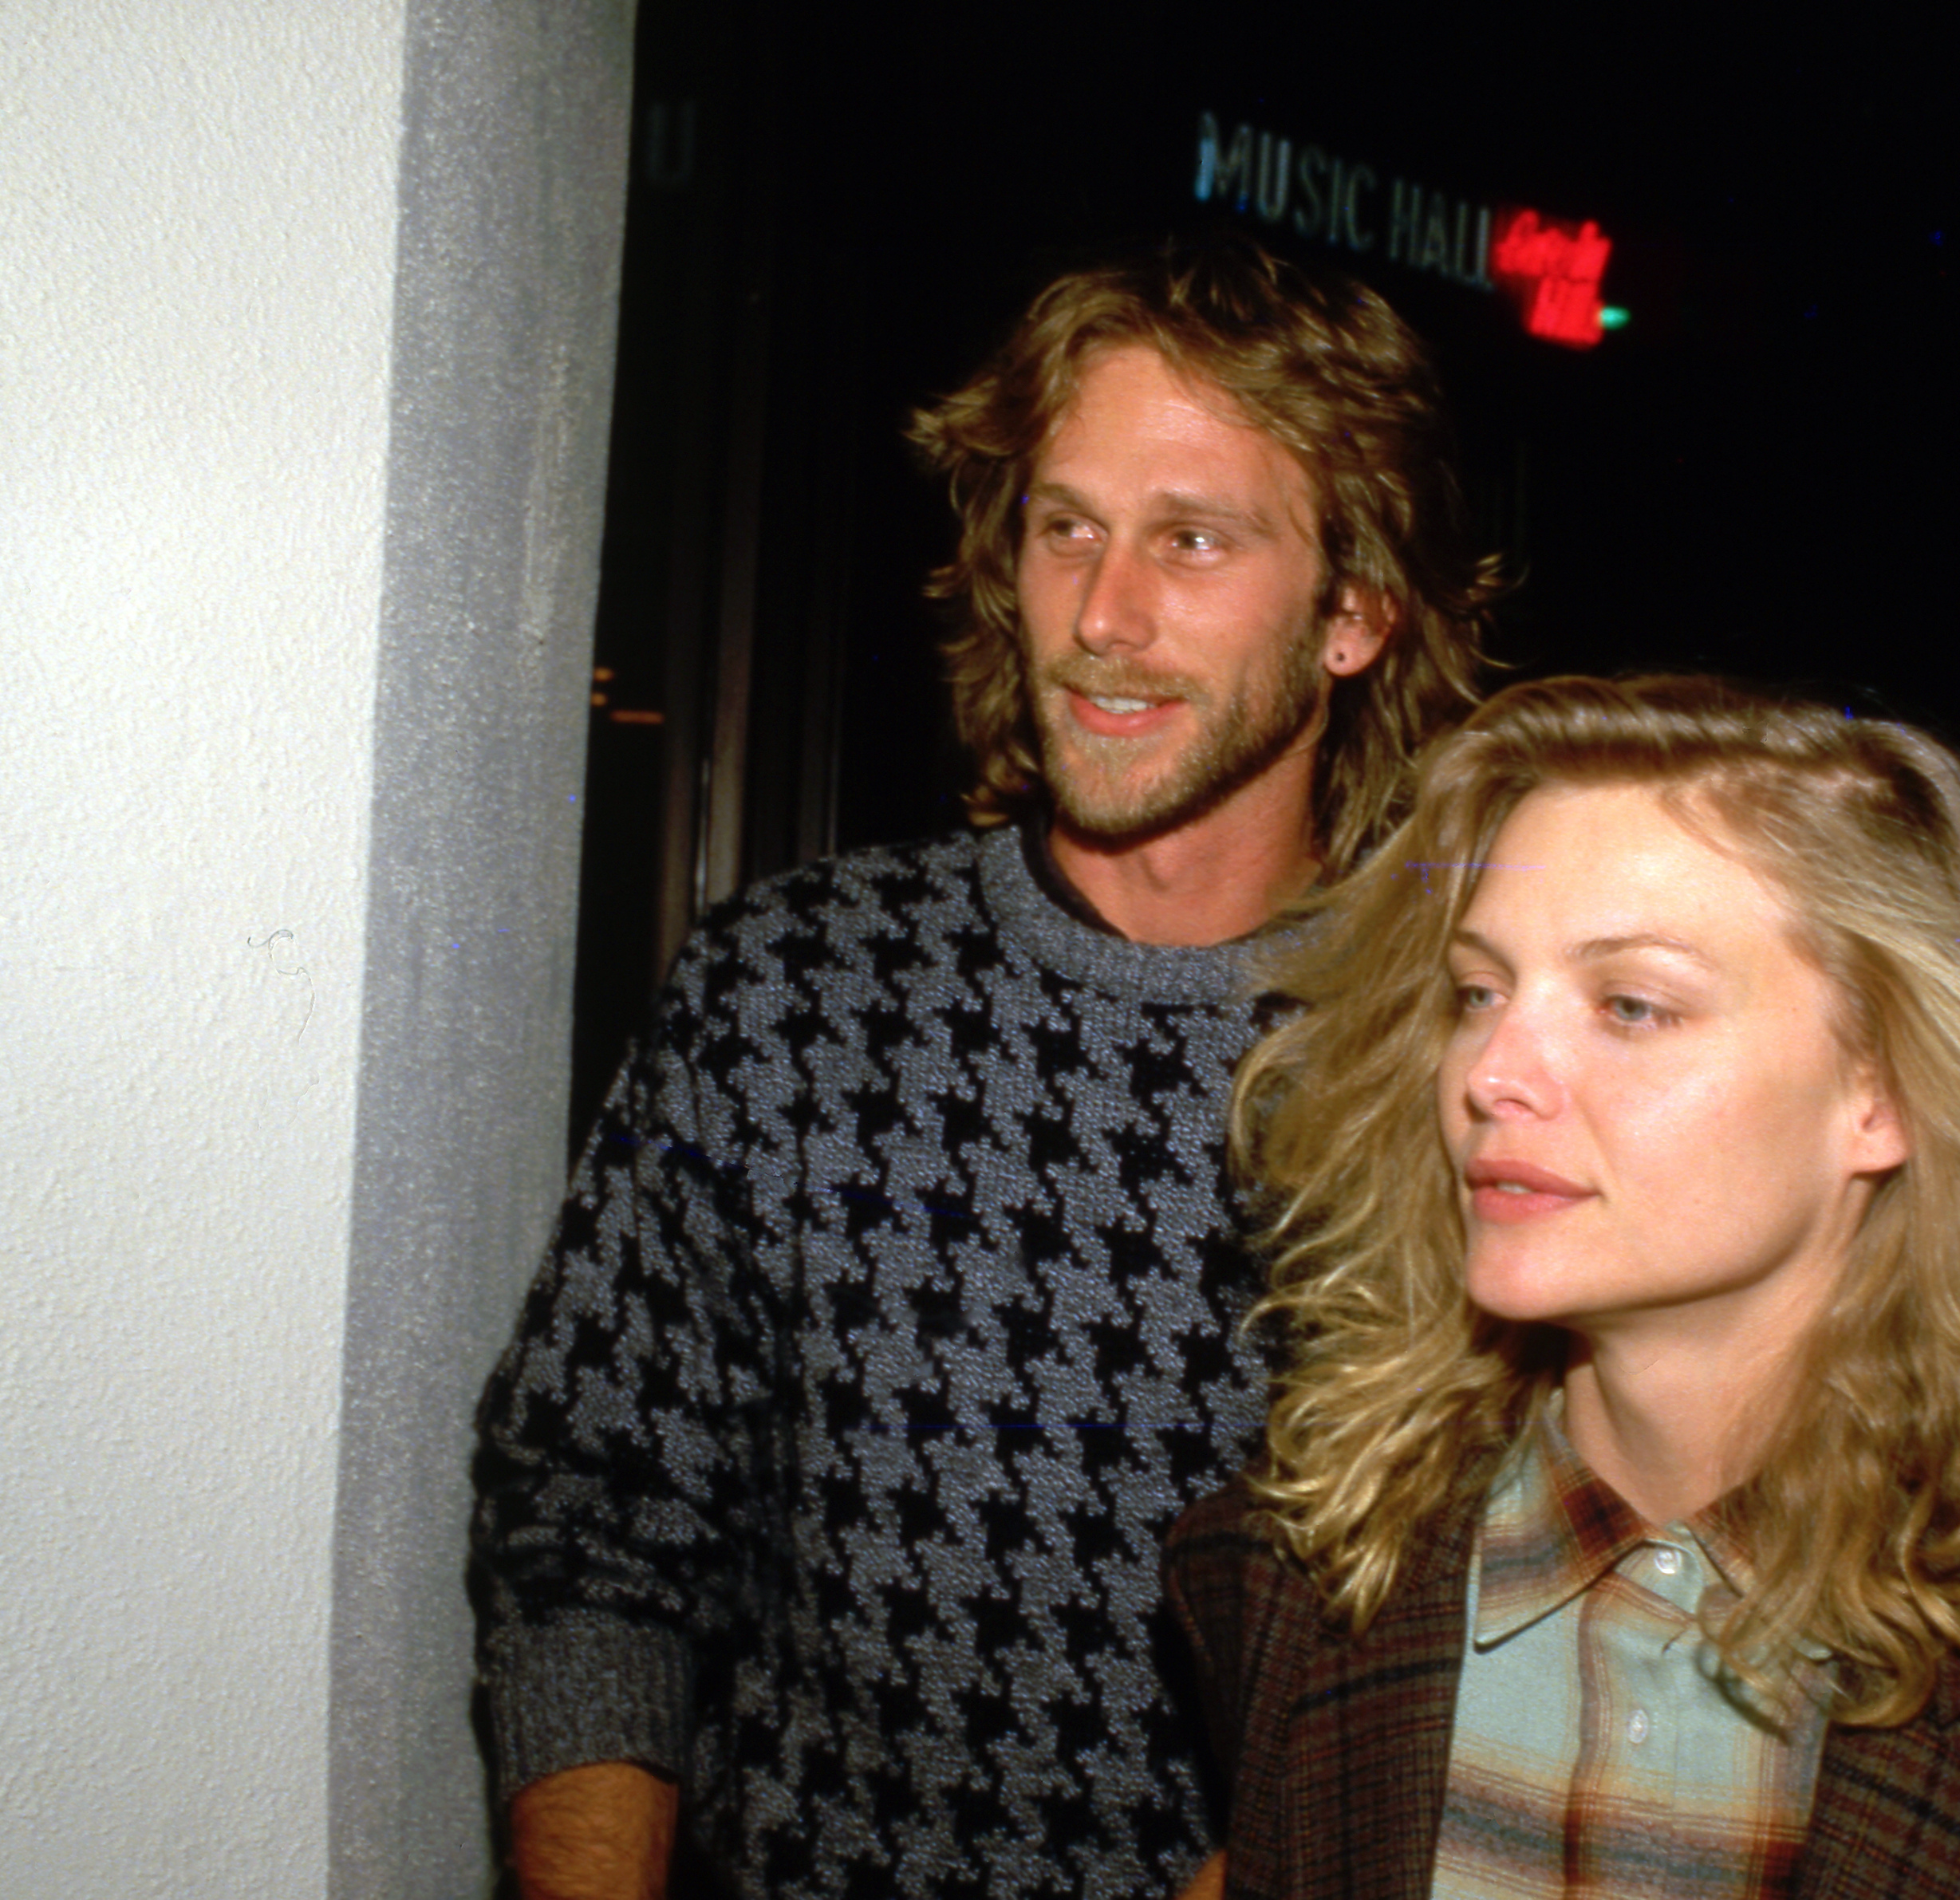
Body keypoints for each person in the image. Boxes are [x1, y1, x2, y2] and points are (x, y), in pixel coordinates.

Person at [471, 236, 1494, 1900]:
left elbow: (1483, 1656)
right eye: (1065, 526)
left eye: (1195, 540)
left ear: (1354, 617)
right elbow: (591, 1517)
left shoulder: (1459, 1061)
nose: (1103, 614)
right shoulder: (788, 987)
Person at [1166, 675, 1960, 1898]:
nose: (1494, 1069)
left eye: (1632, 1004)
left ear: (1882, 1089)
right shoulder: (1289, 1578)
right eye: (1478, 990)